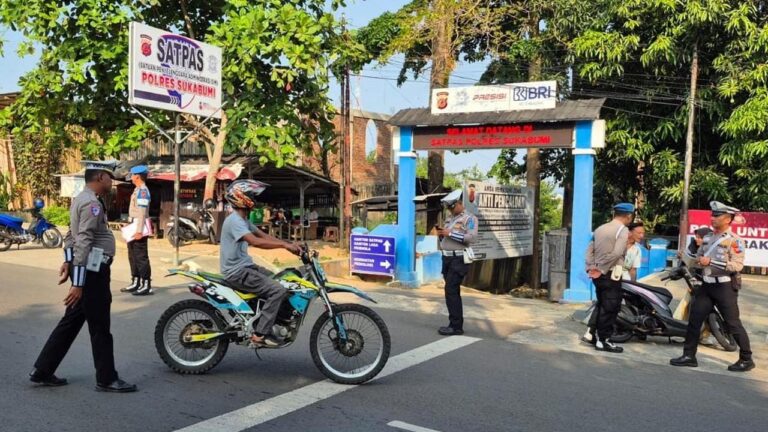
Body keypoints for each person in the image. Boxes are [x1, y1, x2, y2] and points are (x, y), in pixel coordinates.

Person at [30, 160, 137, 392]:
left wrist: (68, 261)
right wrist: (78, 284)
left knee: (71, 322)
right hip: (92, 273)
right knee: (100, 327)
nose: (112, 182)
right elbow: (84, 241)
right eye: (109, 177)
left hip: (85, 271)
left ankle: (43, 370)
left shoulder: (81, 199)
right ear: (100, 177)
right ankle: (106, 379)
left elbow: (71, 235)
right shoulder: (91, 204)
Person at [671, 201, 755, 372]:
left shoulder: (735, 240)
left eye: (717, 216)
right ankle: (689, 356)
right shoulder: (708, 238)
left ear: (728, 219)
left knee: (732, 324)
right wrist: (688, 258)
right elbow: (699, 259)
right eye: (712, 215)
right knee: (694, 320)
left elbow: (737, 266)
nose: (712, 218)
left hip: (724, 288)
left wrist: (711, 262)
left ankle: (746, 359)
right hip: (706, 285)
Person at [219, 180, 301, 347]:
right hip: (237, 272)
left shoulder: (243, 220)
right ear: (241, 197)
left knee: (283, 281)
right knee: (277, 290)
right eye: (252, 196)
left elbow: (264, 236)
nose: (255, 199)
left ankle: (270, 320)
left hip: (246, 268)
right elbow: (255, 241)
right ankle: (259, 334)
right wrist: (284, 246)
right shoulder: (235, 220)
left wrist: (289, 244)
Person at [582, 202, 634, 353]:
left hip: (597, 275)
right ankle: (604, 340)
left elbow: (589, 250)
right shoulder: (623, 230)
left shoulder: (600, 228)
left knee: (602, 304)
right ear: (628, 216)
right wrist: (601, 268)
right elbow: (617, 253)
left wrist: (591, 267)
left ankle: (593, 335)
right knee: (610, 307)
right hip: (610, 273)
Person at [435, 189, 478, 336]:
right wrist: (442, 234)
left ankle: (456, 326)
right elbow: (447, 238)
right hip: (447, 259)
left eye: (452, 207)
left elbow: (471, 238)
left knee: (451, 290)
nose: (450, 210)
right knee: (451, 291)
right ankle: (454, 323)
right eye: (448, 208)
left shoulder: (469, 219)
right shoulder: (450, 219)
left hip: (458, 259)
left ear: (459, 203)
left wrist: (450, 233)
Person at [121, 165, 153, 296]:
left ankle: (146, 284)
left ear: (138, 177)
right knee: (132, 255)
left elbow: (142, 212)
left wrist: (139, 231)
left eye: (133, 175)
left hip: (139, 226)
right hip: (133, 225)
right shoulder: (137, 189)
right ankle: (136, 281)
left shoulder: (143, 191)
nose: (131, 177)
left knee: (141, 257)